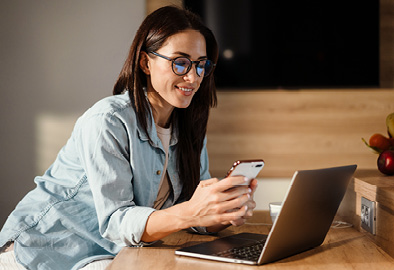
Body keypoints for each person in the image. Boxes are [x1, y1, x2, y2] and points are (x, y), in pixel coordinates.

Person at [0, 5, 258, 270]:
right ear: (146, 63)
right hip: (40, 254)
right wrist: (193, 210)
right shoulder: (107, 121)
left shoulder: (189, 125)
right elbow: (117, 221)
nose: (193, 77)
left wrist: (222, 211)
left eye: (201, 65)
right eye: (180, 63)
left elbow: (189, 214)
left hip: (109, 253)